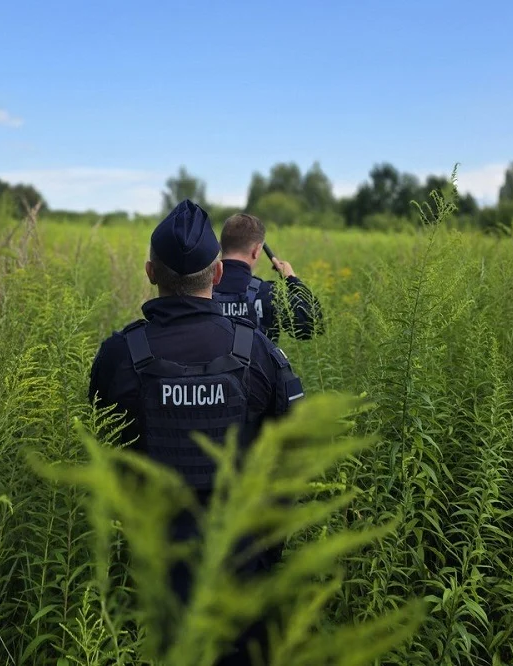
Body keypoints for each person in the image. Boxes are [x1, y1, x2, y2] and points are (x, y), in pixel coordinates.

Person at [88, 199, 304, 665]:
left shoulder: (119, 356)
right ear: (219, 275)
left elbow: (106, 456)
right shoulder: (260, 353)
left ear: (150, 272)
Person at [213, 213, 325, 344]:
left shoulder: (198, 288)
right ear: (256, 250)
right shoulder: (270, 293)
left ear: (220, 246)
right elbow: (314, 325)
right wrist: (291, 279)